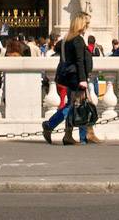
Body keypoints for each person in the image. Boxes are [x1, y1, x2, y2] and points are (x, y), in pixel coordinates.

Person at [43, 13, 96, 145]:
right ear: (81, 25)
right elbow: (79, 61)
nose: (87, 27)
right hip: (77, 78)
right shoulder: (77, 40)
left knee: (75, 105)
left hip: (69, 77)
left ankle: (71, 135)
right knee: (75, 106)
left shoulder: (65, 40)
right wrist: (83, 79)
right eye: (86, 24)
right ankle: (50, 125)